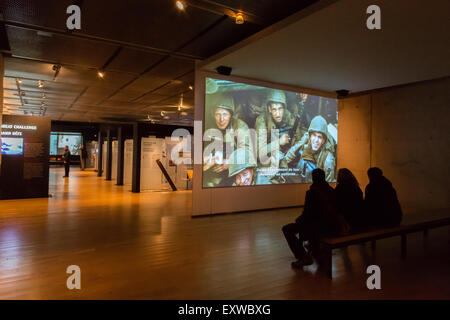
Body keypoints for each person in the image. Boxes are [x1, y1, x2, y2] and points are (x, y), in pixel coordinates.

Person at [282, 168, 341, 268]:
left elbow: (308, 214)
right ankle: (314, 249)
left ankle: (303, 256)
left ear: (313, 178)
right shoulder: (331, 190)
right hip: (331, 224)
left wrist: (299, 220)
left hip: (318, 226)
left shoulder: (312, 192)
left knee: (287, 229)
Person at [203, 92, 252, 188]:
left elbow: (248, 153)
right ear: (213, 115)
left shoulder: (240, 126)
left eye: (225, 114)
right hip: (213, 173)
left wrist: (230, 162)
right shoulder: (208, 126)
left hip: (234, 172)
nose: (221, 119)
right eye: (218, 114)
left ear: (231, 115)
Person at [280, 115, 335, 182]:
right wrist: (282, 168)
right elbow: (293, 151)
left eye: (319, 137)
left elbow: (328, 182)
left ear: (323, 140)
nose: (316, 140)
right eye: (314, 135)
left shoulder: (328, 159)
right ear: (310, 136)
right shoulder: (306, 138)